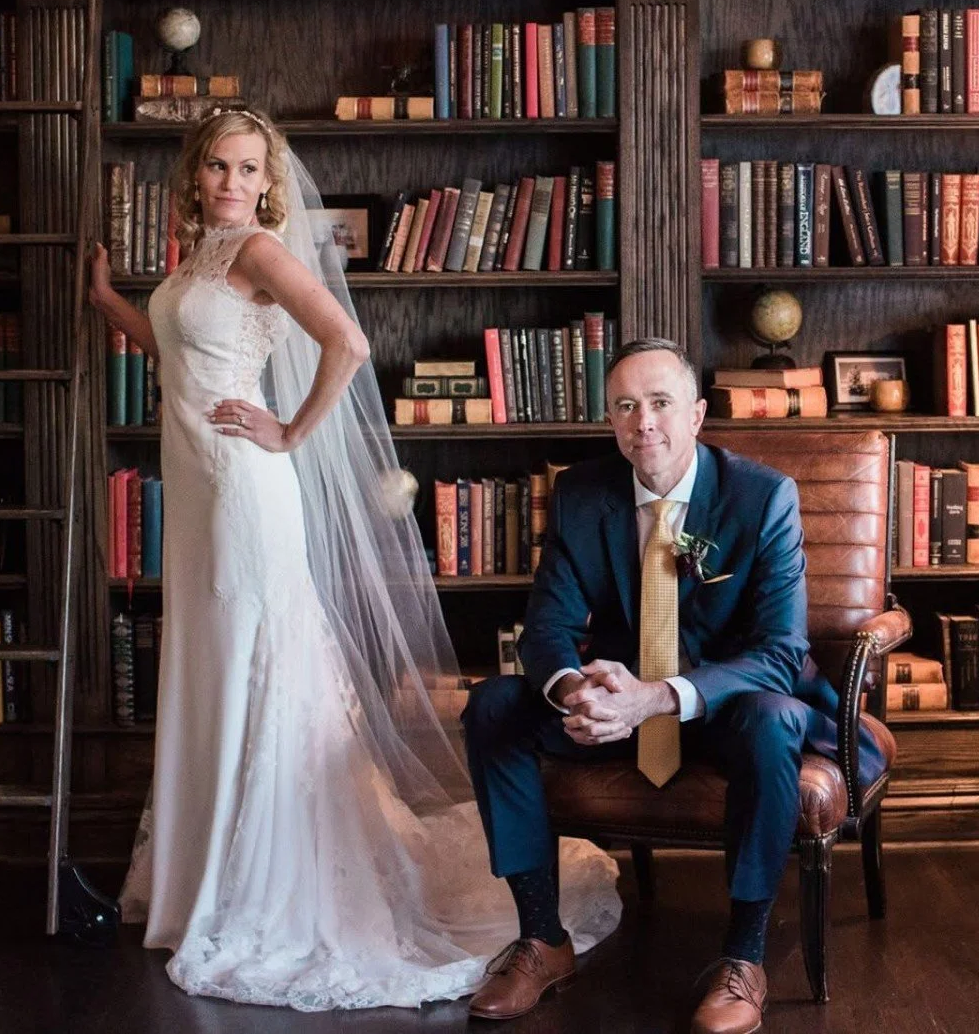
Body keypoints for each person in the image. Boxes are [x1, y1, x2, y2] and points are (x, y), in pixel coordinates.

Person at [89, 106, 621, 1010]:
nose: (229, 181)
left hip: (243, 492)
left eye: (247, 169)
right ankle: (203, 877)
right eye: (217, 165)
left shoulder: (257, 250)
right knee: (215, 670)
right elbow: (180, 354)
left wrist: (290, 431)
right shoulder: (199, 257)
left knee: (257, 668)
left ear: (268, 181)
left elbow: (349, 341)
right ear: (197, 175)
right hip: (197, 499)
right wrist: (109, 305)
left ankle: (250, 885)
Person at [462, 339, 885, 1033]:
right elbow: (547, 629)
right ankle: (543, 938)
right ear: (610, 420)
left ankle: (744, 959)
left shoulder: (761, 496)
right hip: (617, 709)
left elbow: (781, 650)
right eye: (625, 406)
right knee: (494, 705)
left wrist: (656, 697)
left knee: (774, 716)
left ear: (696, 414)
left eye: (660, 402)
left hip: (725, 709)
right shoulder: (581, 492)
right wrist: (578, 693)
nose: (643, 421)